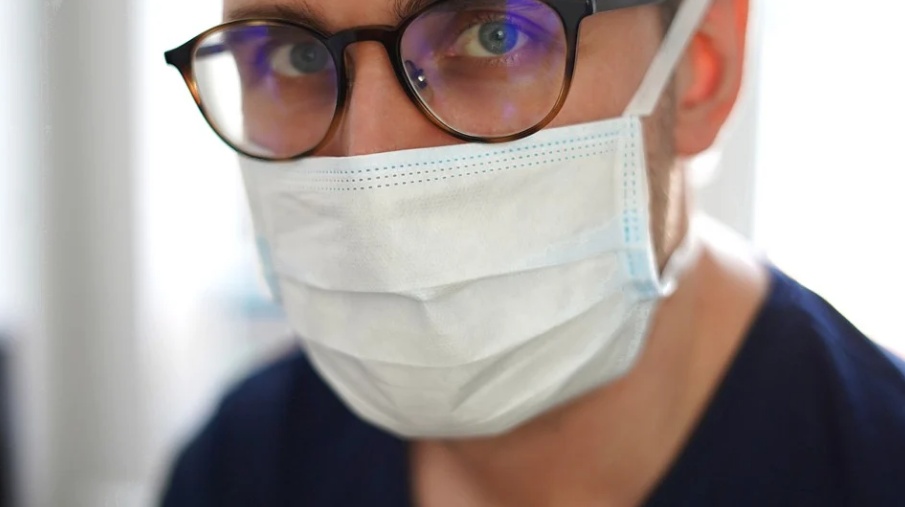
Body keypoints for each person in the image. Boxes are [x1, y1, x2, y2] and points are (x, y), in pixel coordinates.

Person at [159, 0, 905, 505]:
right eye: (292, 55)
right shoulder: (242, 465)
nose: (370, 157)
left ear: (699, 70)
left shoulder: (876, 465)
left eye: (494, 34)